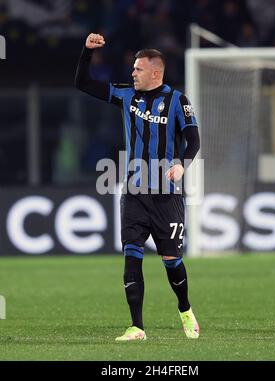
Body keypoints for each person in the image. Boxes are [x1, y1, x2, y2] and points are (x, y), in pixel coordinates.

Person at [75, 33, 200, 341]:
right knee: (132, 254)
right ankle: (137, 327)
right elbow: (83, 84)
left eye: (138, 69)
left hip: (166, 195)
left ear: (155, 72)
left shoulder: (177, 100)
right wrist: (86, 53)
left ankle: (184, 308)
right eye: (133, 68)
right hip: (133, 192)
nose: (132, 73)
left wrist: (182, 164)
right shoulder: (126, 94)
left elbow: (193, 139)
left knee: (172, 261)